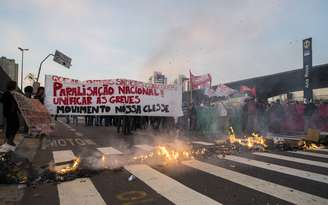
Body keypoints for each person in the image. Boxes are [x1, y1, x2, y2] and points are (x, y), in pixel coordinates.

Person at [0, 81, 20, 150]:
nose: (16, 86)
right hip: (9, 113)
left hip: (13, 113)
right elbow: (2, 100)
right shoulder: (7, 93)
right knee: (11, 127)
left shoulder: (14, 94)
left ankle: (10, 140)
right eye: (15, 85)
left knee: (15, 126)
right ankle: (9, 141)